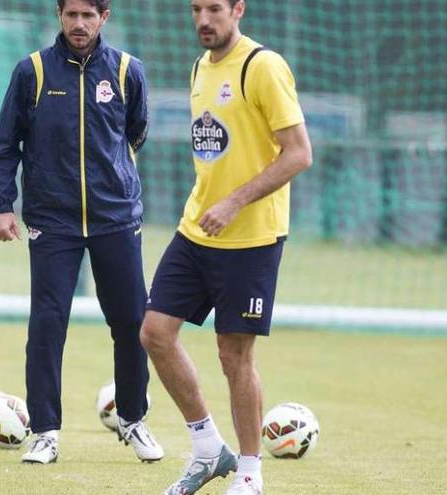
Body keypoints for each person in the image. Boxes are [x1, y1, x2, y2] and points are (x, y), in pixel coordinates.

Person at [139, 0, 313, 494]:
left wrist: (234, 201)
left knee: (233, 355)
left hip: (252, 237)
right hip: (197, 230)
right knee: (154, 332)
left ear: (238, 9)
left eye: (214, 8)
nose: (203, 19)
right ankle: (208, 449)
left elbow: (299, 153)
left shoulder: (264, 67)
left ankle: (251, 474)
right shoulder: (199, 66)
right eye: (196, 9)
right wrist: (212, 203)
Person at [0, 0, 163, 465]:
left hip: (116, 218)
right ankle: (45, 431)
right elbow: (5, 145)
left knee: (131, 323)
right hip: (53, 221)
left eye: (89, 15)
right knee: (47, 324)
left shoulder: (127, 71)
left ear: (105, 18)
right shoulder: (33, 72)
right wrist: (4, 206)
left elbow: (136, 132)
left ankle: (133, 419)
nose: (79, 24)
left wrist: (111, 179)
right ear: (59, 16)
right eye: (71, 15)